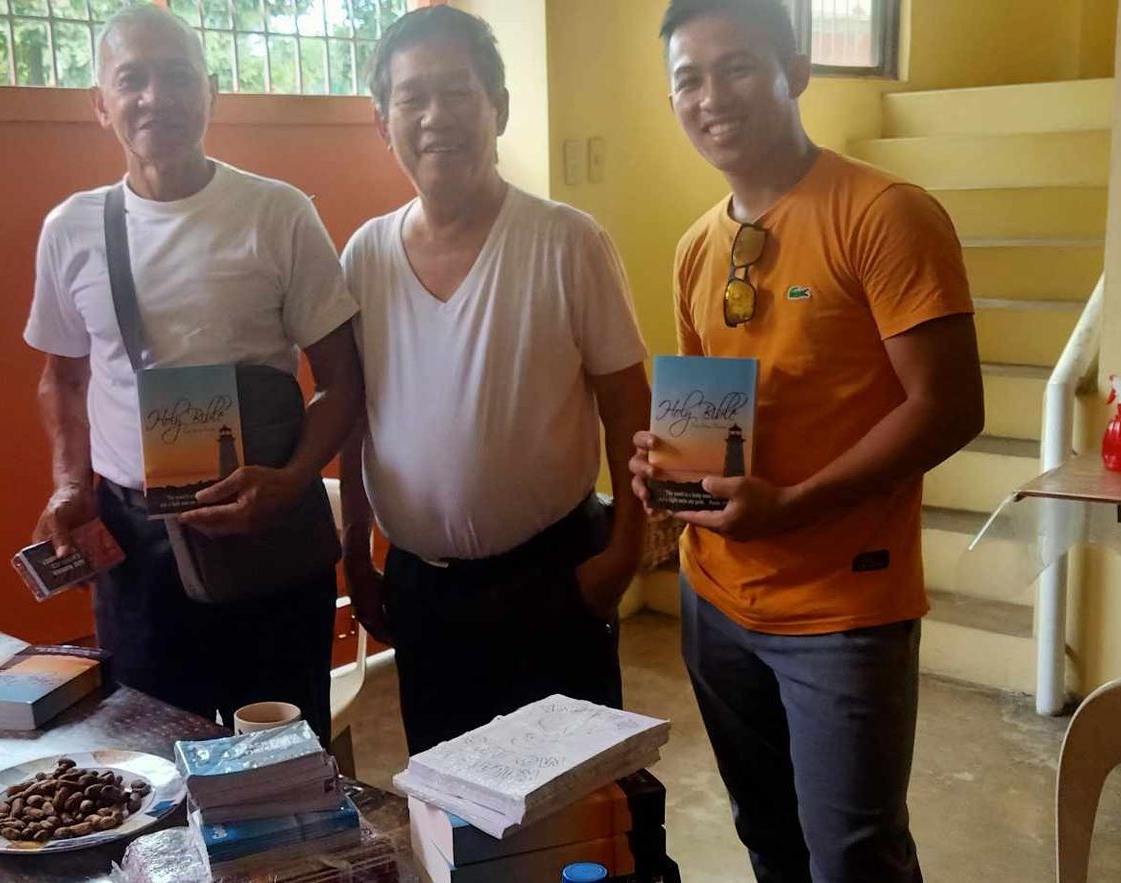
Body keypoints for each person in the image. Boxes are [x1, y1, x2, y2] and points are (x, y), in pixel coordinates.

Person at [631, 1, 985, 880]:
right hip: (715, 598)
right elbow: (715, 412)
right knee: (768, 838)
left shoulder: (886, 214)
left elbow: (948, 406)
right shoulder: (695, 248)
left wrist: (790, 505)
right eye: (688, 78)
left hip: (841, 609)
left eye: (737, 67)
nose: (711, 96)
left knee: (853, 856)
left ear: (795, 71)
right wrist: (670, 472)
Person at [23, 6, 364, 742]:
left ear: (211, 91)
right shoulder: (71, 229)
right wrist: (70, 485)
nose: (156, 97)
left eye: (177, 77)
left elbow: (342, 379)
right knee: (150, 760)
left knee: (281, 760)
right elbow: (64, 380)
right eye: (132, 79)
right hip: (135, 544)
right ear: (100, 102)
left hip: (266, 530)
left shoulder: (278, 213)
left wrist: (296, 477)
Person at [337, 5, 653, 755]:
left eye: (458, 92)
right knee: (455, 815)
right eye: (412, 98)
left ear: (499, 108)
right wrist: (356, 554)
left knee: (577, 820)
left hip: (554, 580)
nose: (436, 116)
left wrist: (625, 553)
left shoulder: (567, 242)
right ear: (383, 122)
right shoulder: (364, 257)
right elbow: (351, 419)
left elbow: (629, 408)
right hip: (422, 591)